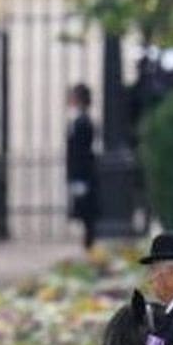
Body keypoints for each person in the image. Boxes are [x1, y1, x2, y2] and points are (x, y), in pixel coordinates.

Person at [65, 82, 98, 251]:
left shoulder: (82, 122)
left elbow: (79, 152)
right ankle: (88, 243)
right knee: (85, 213)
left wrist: (76, 175)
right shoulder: (79, 121)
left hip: (83, 173)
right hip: (81, 172)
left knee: (86, 213)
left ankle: (89, 244)